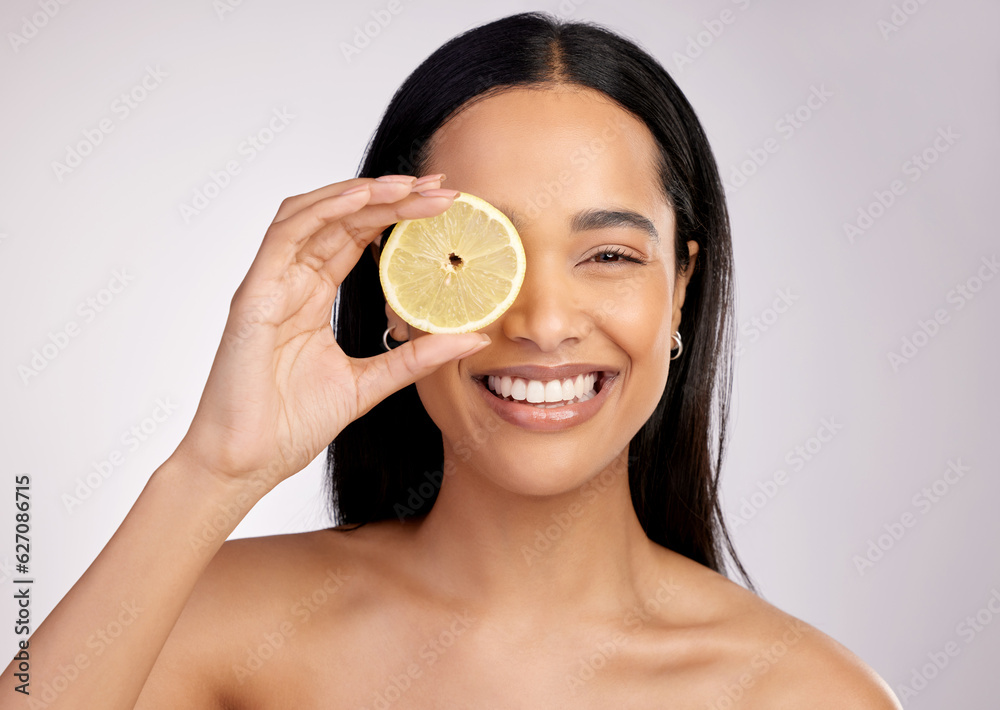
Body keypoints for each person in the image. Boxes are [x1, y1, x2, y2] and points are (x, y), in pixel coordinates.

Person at [4, 12, 901, 709]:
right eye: (480, 254)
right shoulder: (223, 624)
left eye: (610, 255)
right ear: (399, 287)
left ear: (680, 290)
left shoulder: (808, 694)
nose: (545, 324)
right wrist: (211, 471)